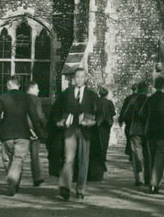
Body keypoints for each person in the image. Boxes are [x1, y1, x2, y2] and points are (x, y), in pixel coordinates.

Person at [52, 67, 100, 200]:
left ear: (85, 78)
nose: (79, 79)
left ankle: (80, 189)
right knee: (68, 158)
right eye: (77, 77)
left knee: (83, 160)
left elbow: (98, 113)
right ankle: (65, 187)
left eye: (81, 77)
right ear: (73, 79)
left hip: (85, 132)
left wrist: (92, 121)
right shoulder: (66, 93)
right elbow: (56, 110)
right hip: (70, 130)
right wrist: (59, 121)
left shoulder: (92, 95)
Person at [0, 75, 45, 196]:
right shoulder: (26, 98)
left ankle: (13, 182)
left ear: (9, 85)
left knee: (7, 160)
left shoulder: (3, 97)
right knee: (18, 160)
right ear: (18, 85)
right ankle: (14, 180)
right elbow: (34, 117)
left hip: (7, 134)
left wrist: (1, 127)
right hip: (23, 134)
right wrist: (38, 132)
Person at [144, 75, 164, 193]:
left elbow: (142, 114)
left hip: (151, 132)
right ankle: (155, 183)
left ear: (155, 85)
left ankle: (152, 181)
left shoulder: (149, 99)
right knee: (160, 159)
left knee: (152, 157)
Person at [122, 80, 150, 186]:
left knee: (137, 155)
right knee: (148, 155)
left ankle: (139, 179)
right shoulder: (149, 100)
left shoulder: (133, 101)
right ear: (147, 90)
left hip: (135, 130)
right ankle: (148, 178)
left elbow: (126, 116)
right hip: (147, 131)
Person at [26, 80, 50, 187]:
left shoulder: (21, 98)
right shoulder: (36, 100)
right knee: (34, 154)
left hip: (21, 129)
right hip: (34, 130)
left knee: (18, 156)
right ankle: (37, 177)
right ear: (31, 88)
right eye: (37, 88)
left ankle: (14, 178)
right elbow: (39, 116)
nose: (38, 90)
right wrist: (46, 127)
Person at [97, 88, 116, 171]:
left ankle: (99, 155)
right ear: (106, 94)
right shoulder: (109, 102)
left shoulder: (96, 101)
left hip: (98, 123)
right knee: (105, 139)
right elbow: (113, 112)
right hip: (107, 123)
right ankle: (104, 155)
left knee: (98, 139)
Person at [119, 83, 139, 158]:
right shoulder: (140, 98)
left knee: (129, 136)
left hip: (129, 120)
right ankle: (134, 153)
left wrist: (121, 120)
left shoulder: (128, 98)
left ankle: (131, 152)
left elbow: (123, 109)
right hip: (137, 120)